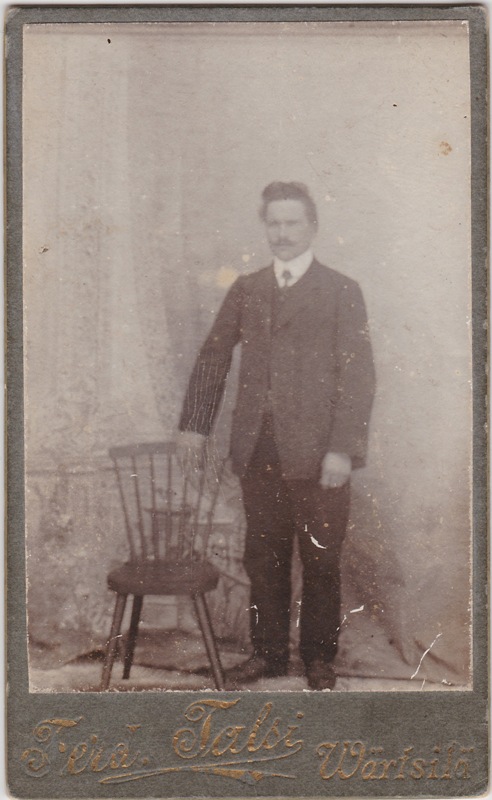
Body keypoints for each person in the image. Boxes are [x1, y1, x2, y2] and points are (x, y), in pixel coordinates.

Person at [178, 181, 375, 690]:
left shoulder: (341, 290)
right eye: (274, 223)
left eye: (292, 223)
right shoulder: (247, 288)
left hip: (320, 454)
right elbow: (214, 357)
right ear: (265, 227)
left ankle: (318, 659)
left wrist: (342, 450)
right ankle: (268, 655)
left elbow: (358, 376)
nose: (282, 233)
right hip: (259, 449)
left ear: (312, 227)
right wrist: (194, 427)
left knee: (321, 559)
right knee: (263, 557)